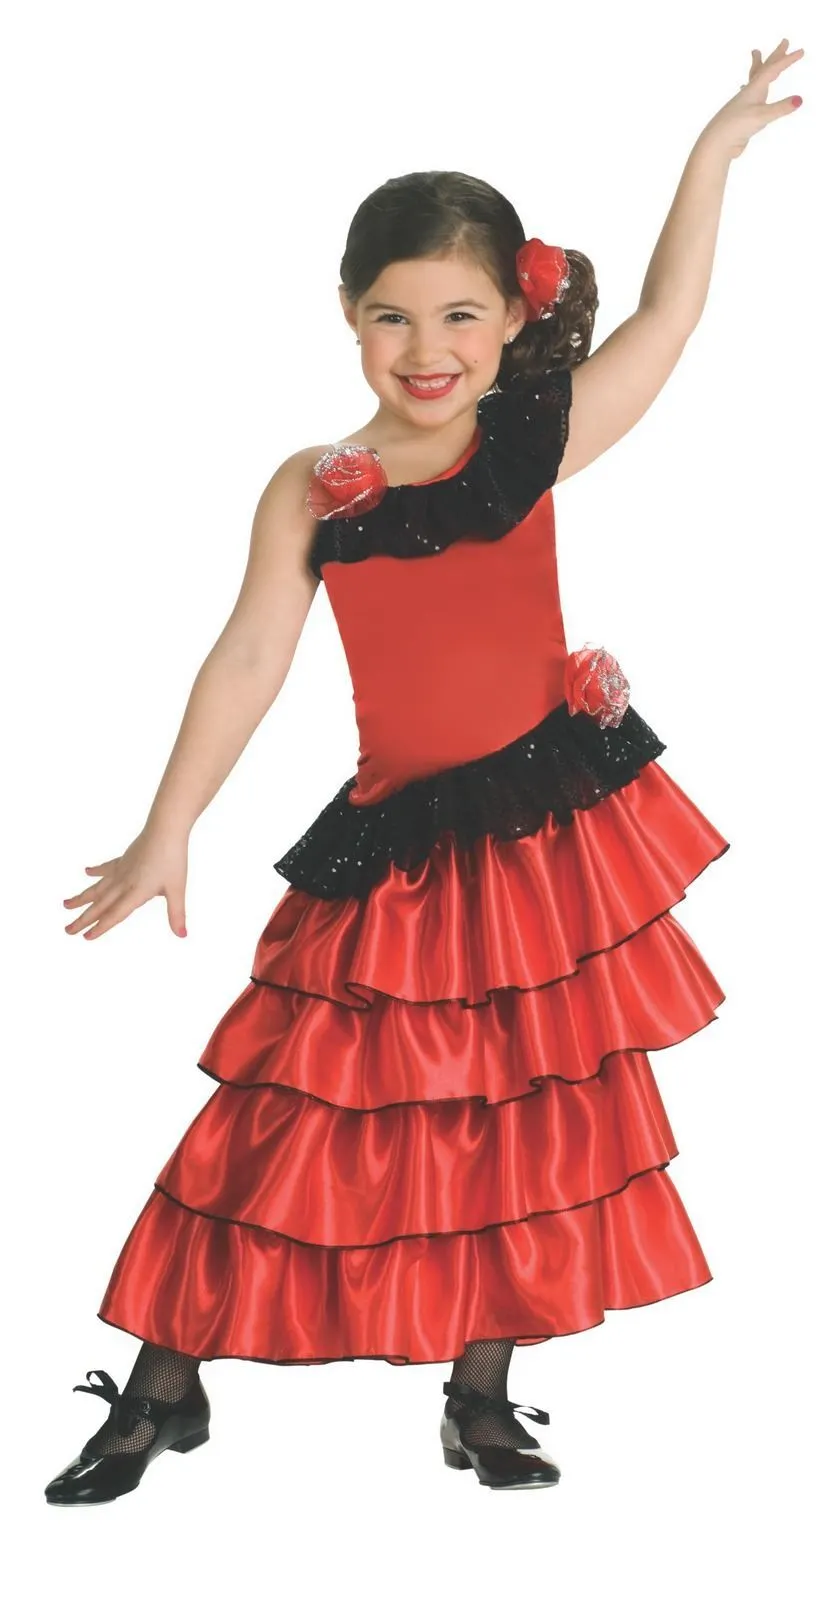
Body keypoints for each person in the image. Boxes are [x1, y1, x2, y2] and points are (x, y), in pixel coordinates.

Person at [44, 39, 803, 1503]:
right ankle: (160, 1392)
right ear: (348, 313)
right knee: (278, 1112)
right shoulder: (314, 487)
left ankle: (481, 1394)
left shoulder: (530, 439)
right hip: (396, 848)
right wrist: (166, 828)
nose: (425, 346)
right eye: (391, 315)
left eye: (460, 313)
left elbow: (671, 316)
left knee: (519, 1115)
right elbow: (250, 654)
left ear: (514, 316)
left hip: (541, 841)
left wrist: (711, 153)